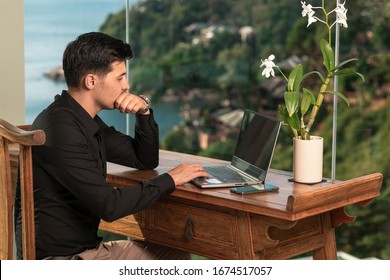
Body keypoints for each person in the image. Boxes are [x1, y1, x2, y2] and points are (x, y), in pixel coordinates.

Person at [14, 32, 208, 260]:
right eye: (120, 77)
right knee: (174, 259)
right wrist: (171, 179)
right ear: (91, 81)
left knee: (174, 253)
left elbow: (144, 159)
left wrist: (143, 112)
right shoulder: (62, 129)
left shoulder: (80, 118)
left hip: (81, 253)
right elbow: (110, 206)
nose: (127, 85)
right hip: (62, 262)